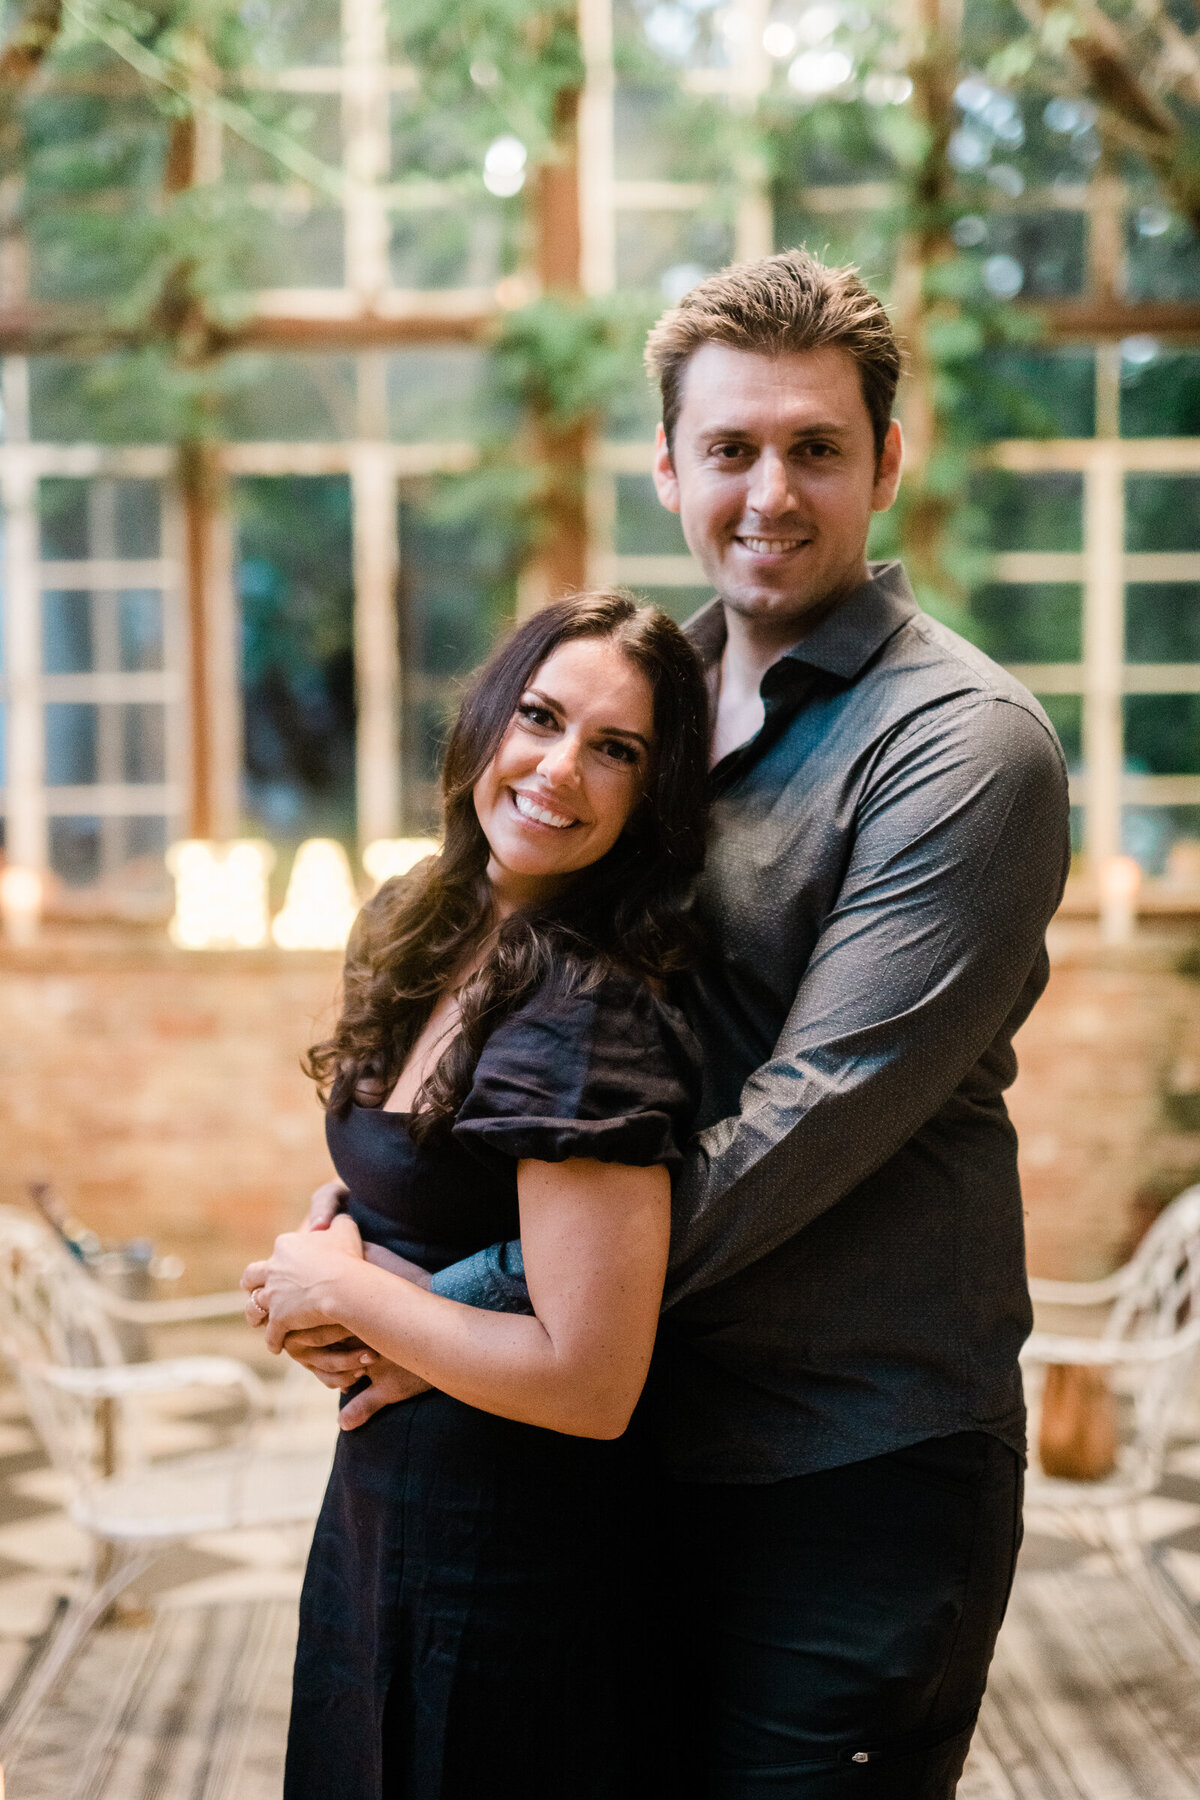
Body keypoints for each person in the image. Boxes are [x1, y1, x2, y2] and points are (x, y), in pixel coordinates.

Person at [294, 249, 1070, 1799]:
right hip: (632, 1456)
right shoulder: (651, 693)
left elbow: (804, 1119)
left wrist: (423, 1297)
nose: (769, 492)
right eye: (730, 449)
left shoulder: (964, 749)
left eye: (815, 448)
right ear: (667, 467)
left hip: (849, 1459)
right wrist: (363, 1211)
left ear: (885, 463)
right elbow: (520, 997)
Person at [240, 591, 709, 1799]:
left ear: (651, 800)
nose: (558, 770)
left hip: (518, 1550)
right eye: (541, 717)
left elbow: (591, 1381)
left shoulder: (590, 1014)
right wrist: (329, 1258)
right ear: (488, 719)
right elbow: (407, 1183)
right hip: (382, 1507)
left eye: (616, 751)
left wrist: (353, 1292)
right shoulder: (415, 917)